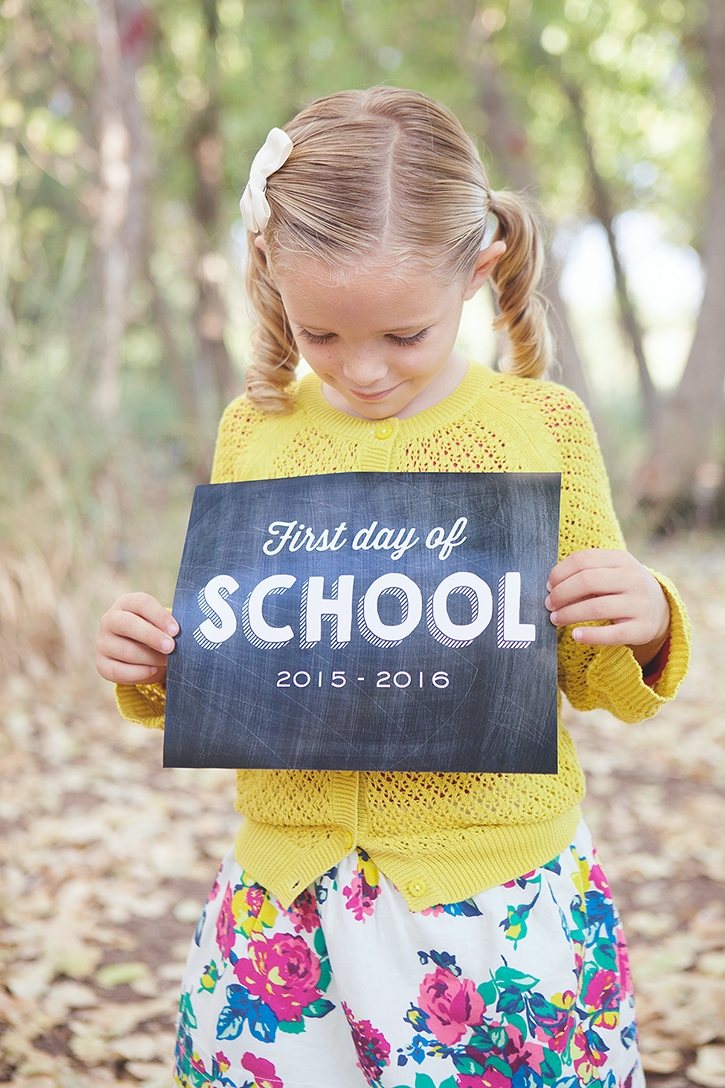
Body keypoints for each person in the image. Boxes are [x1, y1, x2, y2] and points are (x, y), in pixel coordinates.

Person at [96, 87, 690, 1088]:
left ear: (475, 272)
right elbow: (241, 655)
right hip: (285, 904)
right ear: (271, 279)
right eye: (322, 335)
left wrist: (644, 624)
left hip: (489, 903)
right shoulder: (255, 433)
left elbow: (590, 677)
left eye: (403, 335)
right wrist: (156, 664)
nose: (362, 372)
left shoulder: (536, 427)